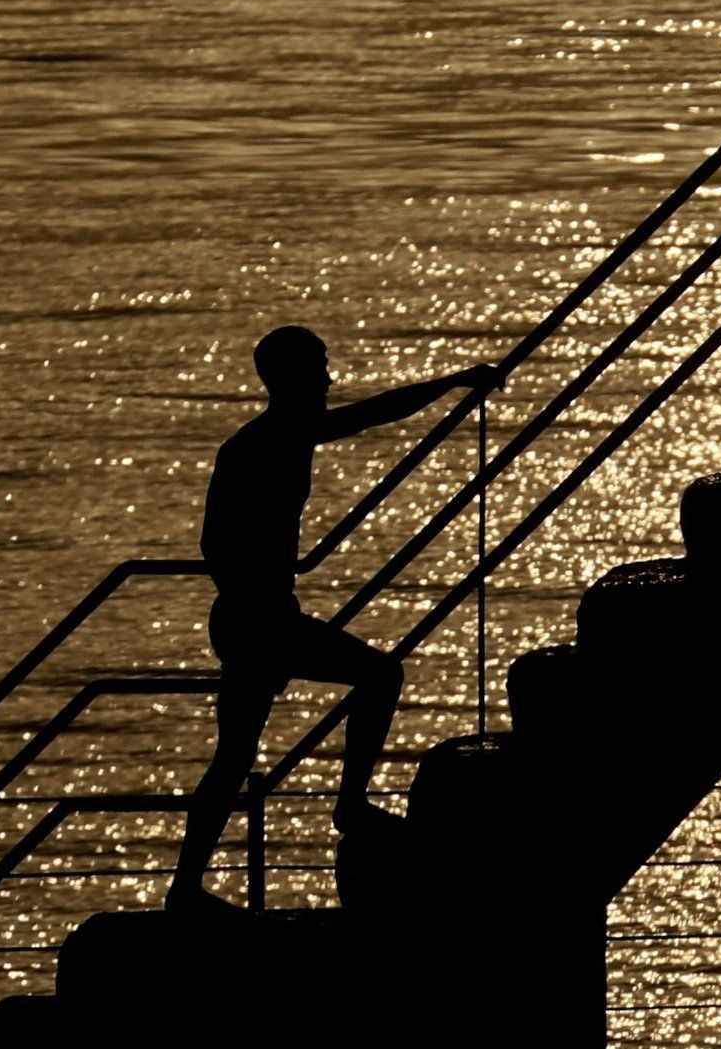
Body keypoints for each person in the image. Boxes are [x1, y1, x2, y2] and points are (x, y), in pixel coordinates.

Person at [165, 324, 502, 911]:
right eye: (318, 367)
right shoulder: (260, 443)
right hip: (257, 620)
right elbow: (215, 544)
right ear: (289, 377)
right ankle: (338, 811)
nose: (328, 379)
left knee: (236, 757)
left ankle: (188, 885)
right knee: (375, 678)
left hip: (262, 615)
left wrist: (452, 384)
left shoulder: (288, 434)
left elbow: (371, 414)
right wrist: (259, 590)